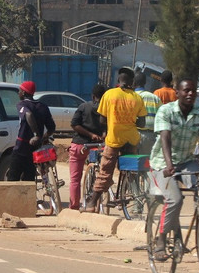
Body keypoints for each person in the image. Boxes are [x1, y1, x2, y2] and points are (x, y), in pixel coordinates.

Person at [148, 77, 199, 261]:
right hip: (163, 163)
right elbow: (165, 137)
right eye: (186, 90)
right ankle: (161, 240)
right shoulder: (166, 110)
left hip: (187, 161)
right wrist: (169, 164)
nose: (190, 94)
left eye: (193, 91)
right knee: (175, 199)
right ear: (177, 93)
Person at [86, 67, 146, 212]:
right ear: (132, 81)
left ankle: (92, 203)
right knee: (131, 171)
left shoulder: (109, 94)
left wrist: (114, 121)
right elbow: (142, 123)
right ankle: (130, 199)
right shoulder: (137, 97)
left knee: (105, 170)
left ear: (119, 79)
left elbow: (101, 120)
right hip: (131, 139)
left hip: (114, 138)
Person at [5, 81, 56, 183]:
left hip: (22, 147)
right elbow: (52, 127)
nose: (18, 93)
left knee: (13, 178)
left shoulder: (22, 104)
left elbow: (28, 114)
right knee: (29, 179)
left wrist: (36, 135)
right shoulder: (43, 106)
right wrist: (43, 137)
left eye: (19, 91)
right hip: (35, 149)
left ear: (23, 93)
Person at [68, 83, 106, 210]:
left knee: (75, 179)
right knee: (101, 173)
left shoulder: (83, 106)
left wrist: (90, 134)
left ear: (93, 96)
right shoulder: (106, 109)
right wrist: (101, 134)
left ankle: (74, 206)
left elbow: (74, 124)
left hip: (80, 144)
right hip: (99, 146)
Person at [134, 70, 161, 147]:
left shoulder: (132, 97)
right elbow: (162, 117)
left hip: (135, 135)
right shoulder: (155, 98)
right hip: (152, 137)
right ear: (145, 83)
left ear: (133, 83)